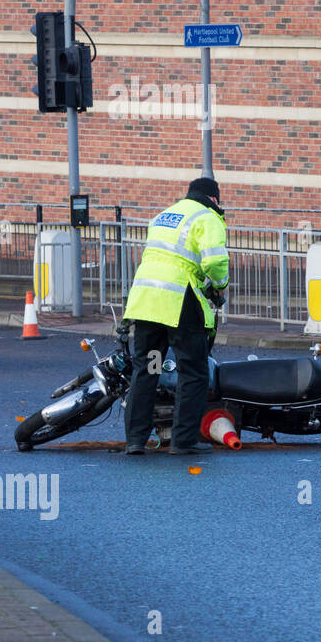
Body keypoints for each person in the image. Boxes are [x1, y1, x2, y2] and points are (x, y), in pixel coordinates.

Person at [123, 177, 229, 455]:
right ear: (214, 199)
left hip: (146, 302)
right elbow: (215, 261)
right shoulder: (207, 217)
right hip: (179, 303)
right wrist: (219, 286)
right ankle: (182, 441)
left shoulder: (162, 216)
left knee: (148, 369)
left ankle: (135, 441)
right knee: (192, 372)